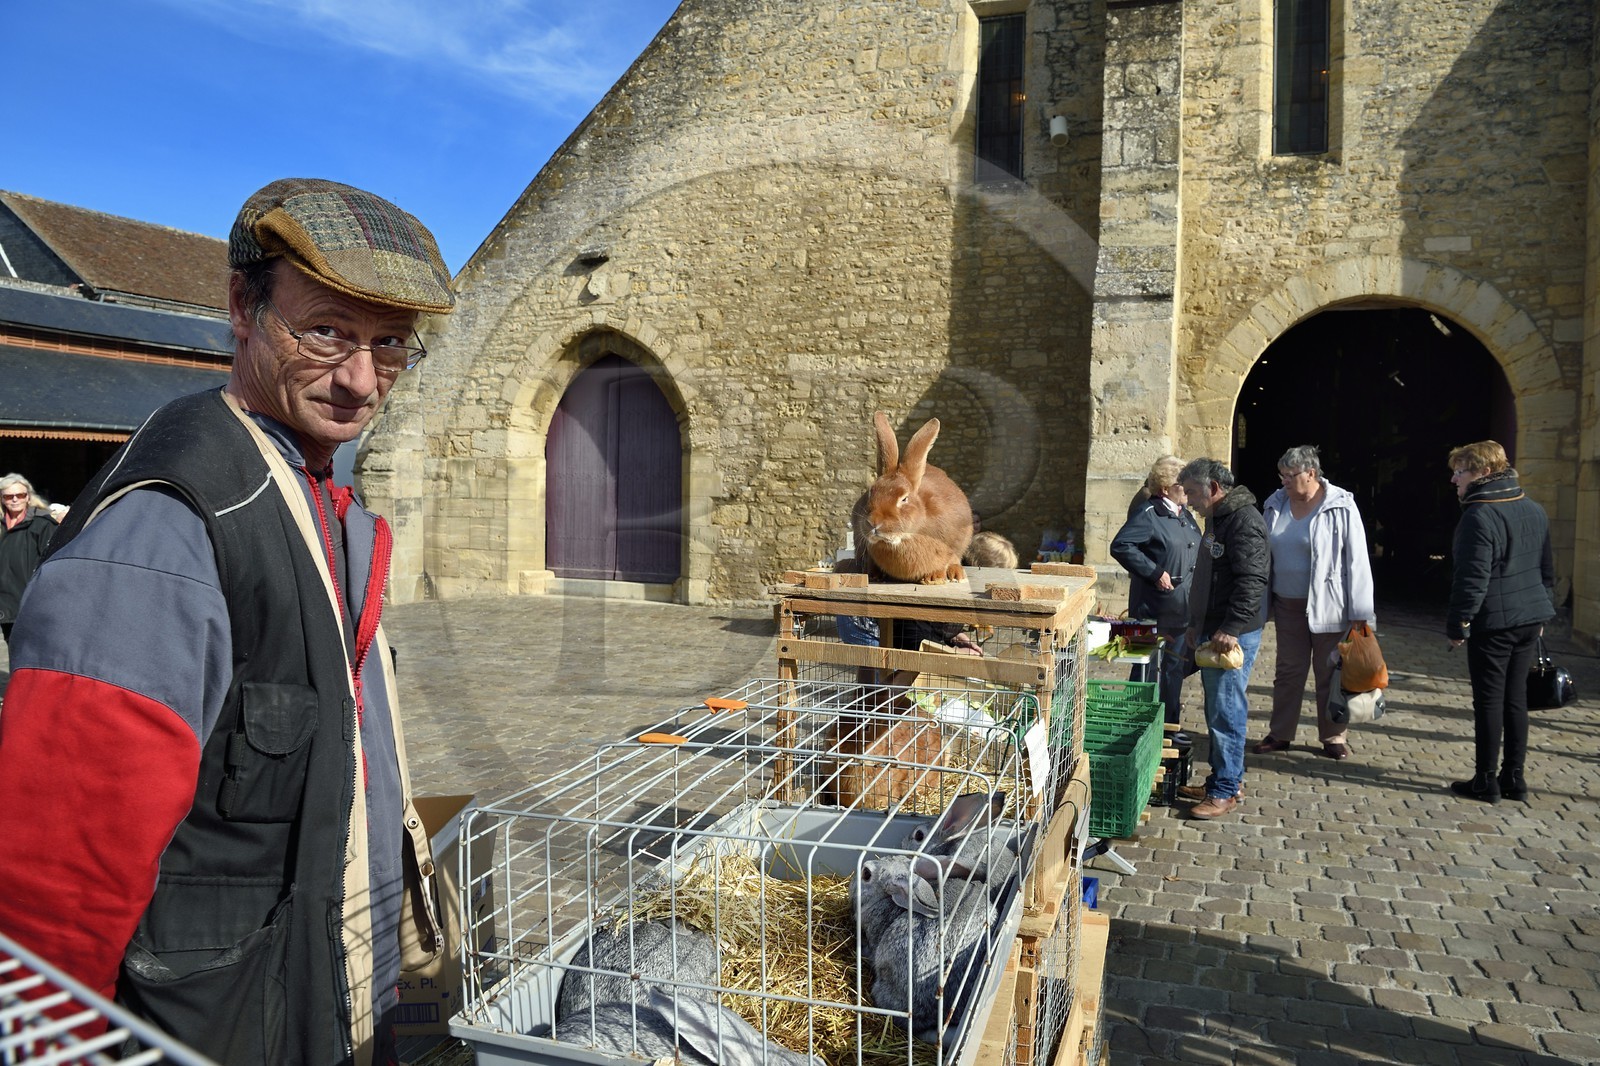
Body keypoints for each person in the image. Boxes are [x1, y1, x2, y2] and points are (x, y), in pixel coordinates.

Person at [0, 178, 457, 1064]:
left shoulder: (325, 496)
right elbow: (55, 886)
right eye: (326, 331)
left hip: (312, 997)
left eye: (391, 344)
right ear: (242, 310)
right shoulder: (165, 526)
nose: (362, 381)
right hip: (210, 1028)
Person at [1445, 440, 1554, 804]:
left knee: (1490, 701)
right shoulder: (1533, 507)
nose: (1454, 479)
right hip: (1529, 619)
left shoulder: (1480, 514)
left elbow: (1473, 577)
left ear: (1484, 472)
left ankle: (1485, 780)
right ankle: (1515, 778)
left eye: (1461, 471)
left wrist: (1460, 623)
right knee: (1515, 700)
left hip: (1495, 623)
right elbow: (1547, 571)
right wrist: (1543, 611)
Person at [1256, 446, 1376, 761]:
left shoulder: (1341, 505)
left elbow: (1358, 562)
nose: (1284, 482)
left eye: (1291, 476)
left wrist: (1360, 616)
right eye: (1281, 475)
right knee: (1288, 672)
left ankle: (1334, 737)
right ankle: (1280, 733)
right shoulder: (1275, 503)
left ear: (1311, 473)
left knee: (1330, 673)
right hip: (1287, 604)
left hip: (1330, 606)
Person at [1176, 457, 1269, 820]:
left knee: (1225, 710)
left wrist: (1231, 627)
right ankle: (1226, 778)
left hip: (1231, 634)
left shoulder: (1244, 522)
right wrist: (1194, 623)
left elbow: (1252, 581)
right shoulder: (1220, 517)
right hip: (1214, 628)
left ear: (1214, 489)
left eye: (1194, 493)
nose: (1190, 501)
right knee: (1218, 708)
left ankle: (1225, 789)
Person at [1109, 456, 1201, 726]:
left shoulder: (1186, 515)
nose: (1186, 488)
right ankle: (1136, 727)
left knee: (1174, 670)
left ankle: (1168, 727)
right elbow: (1122, 545)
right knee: (1144, 670)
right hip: (1152, 609)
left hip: (1182, 609)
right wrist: (1155, 572)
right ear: (1164, 489)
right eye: (1180, 484)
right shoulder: (1148, 514)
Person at [0, 474, 55, 643]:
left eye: (21, 495)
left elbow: (52, 564)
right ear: (2, 499)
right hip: (6, 605)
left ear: (28, 497)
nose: (15, 500)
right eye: (9, 496)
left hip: (32, 604)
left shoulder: (42, 524)